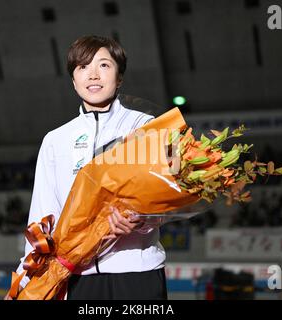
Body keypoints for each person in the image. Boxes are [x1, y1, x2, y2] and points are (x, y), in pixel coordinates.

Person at [11, 35, 168, 300]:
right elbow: (43, 216)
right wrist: (24, 281)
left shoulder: (144, 127)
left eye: (104, 66)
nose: (93, 75)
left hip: (137, 272)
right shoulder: (55, 140)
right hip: (77, 275)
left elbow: (167, 198)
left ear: (119, 77)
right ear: (73, 81)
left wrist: (142, 219)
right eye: (83, 67)